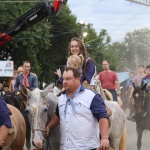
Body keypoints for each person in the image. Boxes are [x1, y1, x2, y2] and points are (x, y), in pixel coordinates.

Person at [45, 66, 109, 150]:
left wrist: (104, 138)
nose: (64, 82)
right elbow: (58, 115)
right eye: (63, 79)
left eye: (68, 79)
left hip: (87, 147)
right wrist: (48, 127)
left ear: (78, 79)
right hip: (66, 147)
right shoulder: (61, 98)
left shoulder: (91, 96)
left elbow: (102, 117)